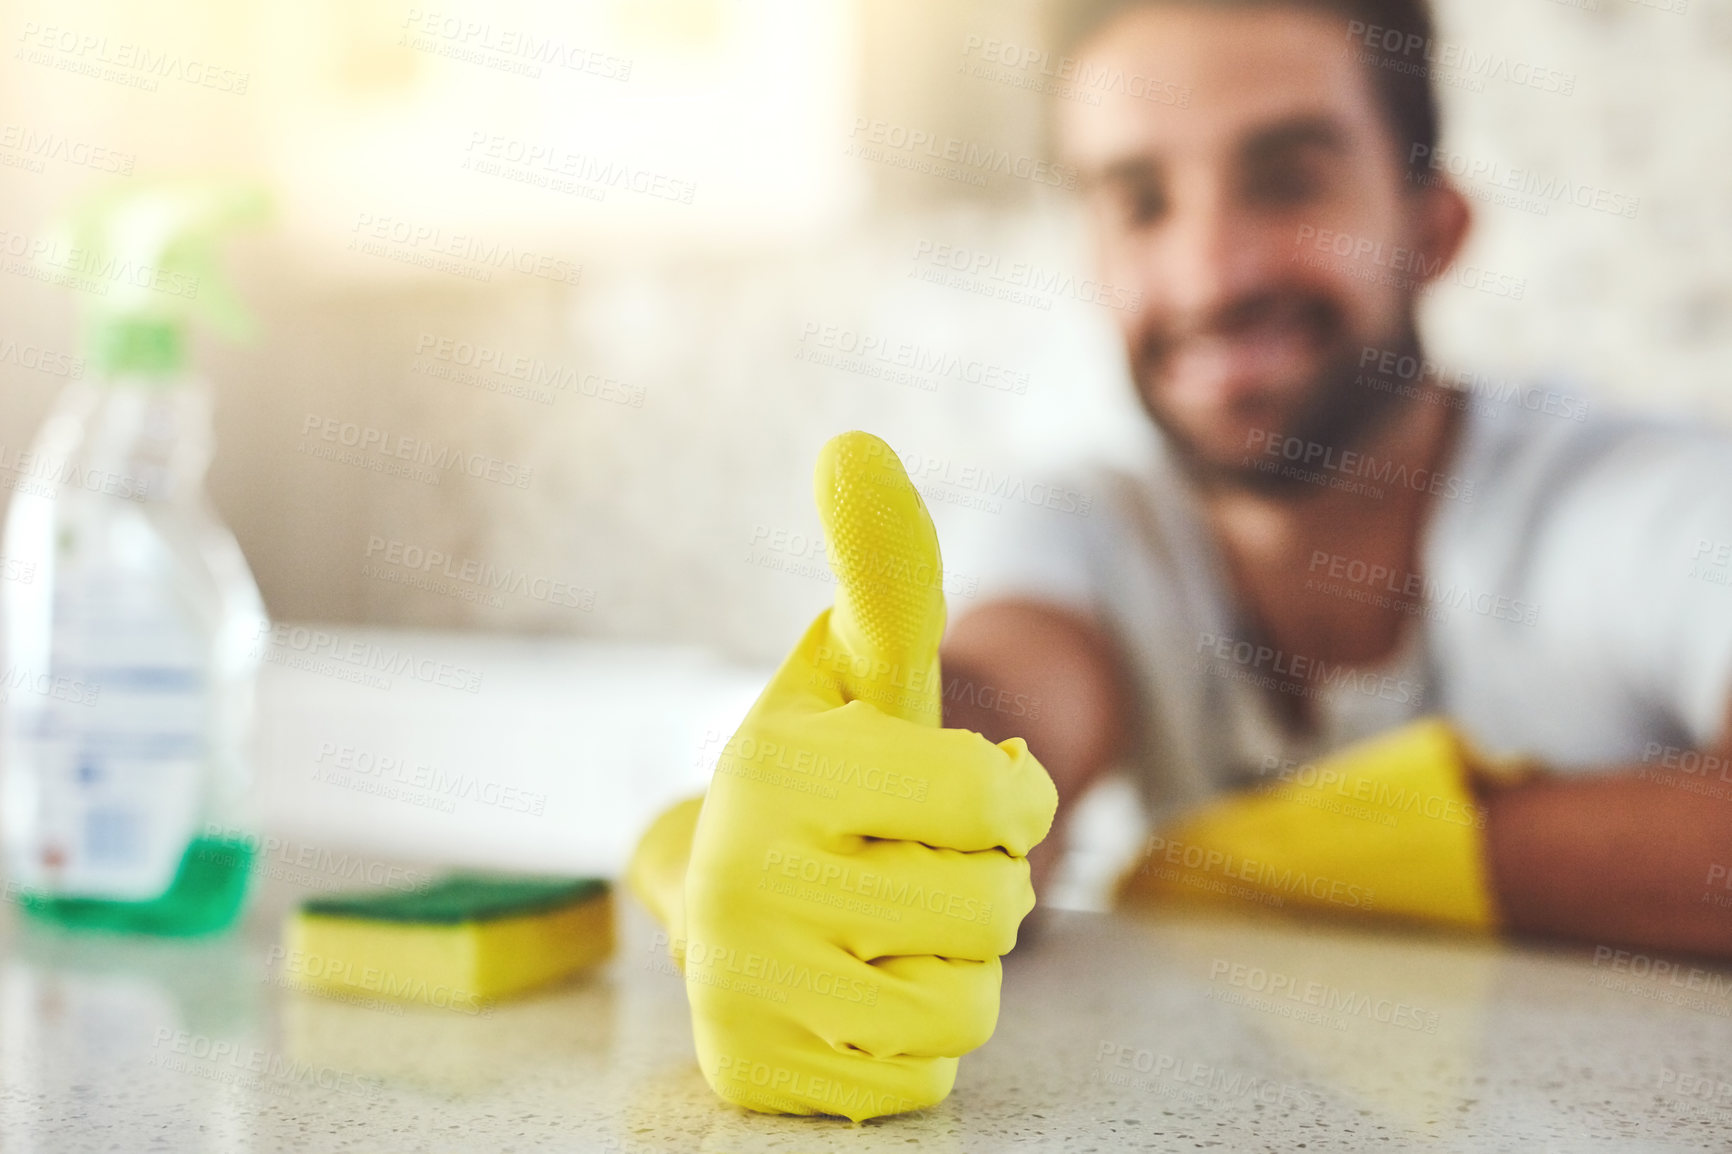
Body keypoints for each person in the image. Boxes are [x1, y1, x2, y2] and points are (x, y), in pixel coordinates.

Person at [939, 0, 1732, 956]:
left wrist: (1328, 864)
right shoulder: (1082, 521)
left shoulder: (1633, 501)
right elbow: (999, 702)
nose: (1208, 277)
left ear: (1432, 229)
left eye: (1287, 182)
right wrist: (888, 793)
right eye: (1140, 203)